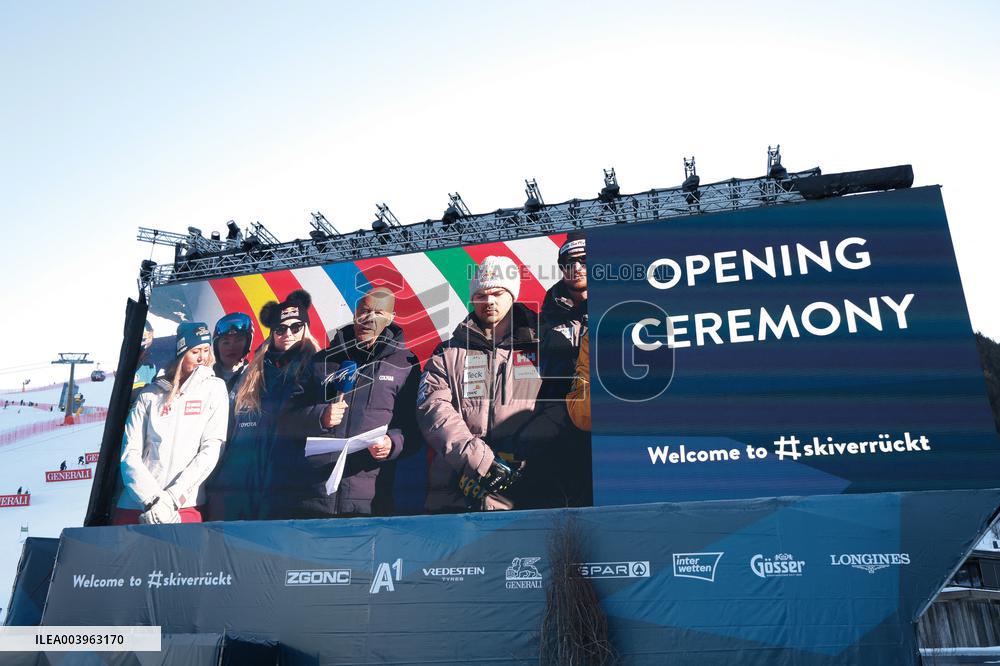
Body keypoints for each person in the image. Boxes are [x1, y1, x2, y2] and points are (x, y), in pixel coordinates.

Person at [418, 255, 570, 512]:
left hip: (525, 490)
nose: (488, 301)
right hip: (455, 490)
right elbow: (433, 410)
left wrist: (512, 457)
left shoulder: (547, 344)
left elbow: (561, 405)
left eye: (497, 293)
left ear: (512, 295)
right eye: (480, 295)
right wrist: (480, 461)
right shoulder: (447, 351)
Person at [284, 287, 422, 517]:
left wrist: (393, 443)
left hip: (370, 502)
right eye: (364, 311)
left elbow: (416, 428)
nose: (368, 318)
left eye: (378, 313)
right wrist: (320, 416)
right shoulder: (321, 361)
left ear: (391, 318)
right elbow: (286, 419)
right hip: (312, 497)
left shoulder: (406, 364)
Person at [206, 290, 320, 521]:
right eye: (280, 328)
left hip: (286, 485)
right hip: (236, 485)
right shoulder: (254, 372)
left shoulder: (319, 368)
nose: (287, 333)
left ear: (305, 329)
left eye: (296, 327)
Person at [115, 322, 228, 525]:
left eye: (205, 350)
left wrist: (171, 499)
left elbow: (212, 449)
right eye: (195, 351)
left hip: (184, 505)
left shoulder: (214, 389)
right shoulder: (151, 394)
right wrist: (151, 500)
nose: (202, 358)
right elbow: (129, 452)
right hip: (137, 504)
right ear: (182, 353)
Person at [539, 231, 588, 399]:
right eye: (569, 262)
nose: (577, 268)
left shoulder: (614, 309)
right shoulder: (545, 318)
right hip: (558, 413)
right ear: (561, 267)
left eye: (585, 260)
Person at [212, 312, 253, 391]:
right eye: (226, 343)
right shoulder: (205, 376)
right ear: (217, 347)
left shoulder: (254, 377)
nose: (232, 347)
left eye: (238, 341)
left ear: (247, 344)